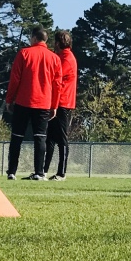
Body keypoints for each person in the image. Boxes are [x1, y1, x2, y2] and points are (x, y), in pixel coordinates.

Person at [5, 26, 62, 181]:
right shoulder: (54, 58)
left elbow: (15, 79)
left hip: (23, 101)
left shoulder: (24, 53)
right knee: (40, 138)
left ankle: (12, 171)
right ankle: (39, 172)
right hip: (43, 103)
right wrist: (54, 105)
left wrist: (9, 99)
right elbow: (57, 85)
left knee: (17, 137)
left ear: (34, 38)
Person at [44, 29, 77, 181]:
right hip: (56, 101)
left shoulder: (66, 58)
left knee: (62, 139)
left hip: (62, 103)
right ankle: (43, 171)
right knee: (50, 138)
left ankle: (61, 173)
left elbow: (56, 79)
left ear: (57, 43)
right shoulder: (62, 56)